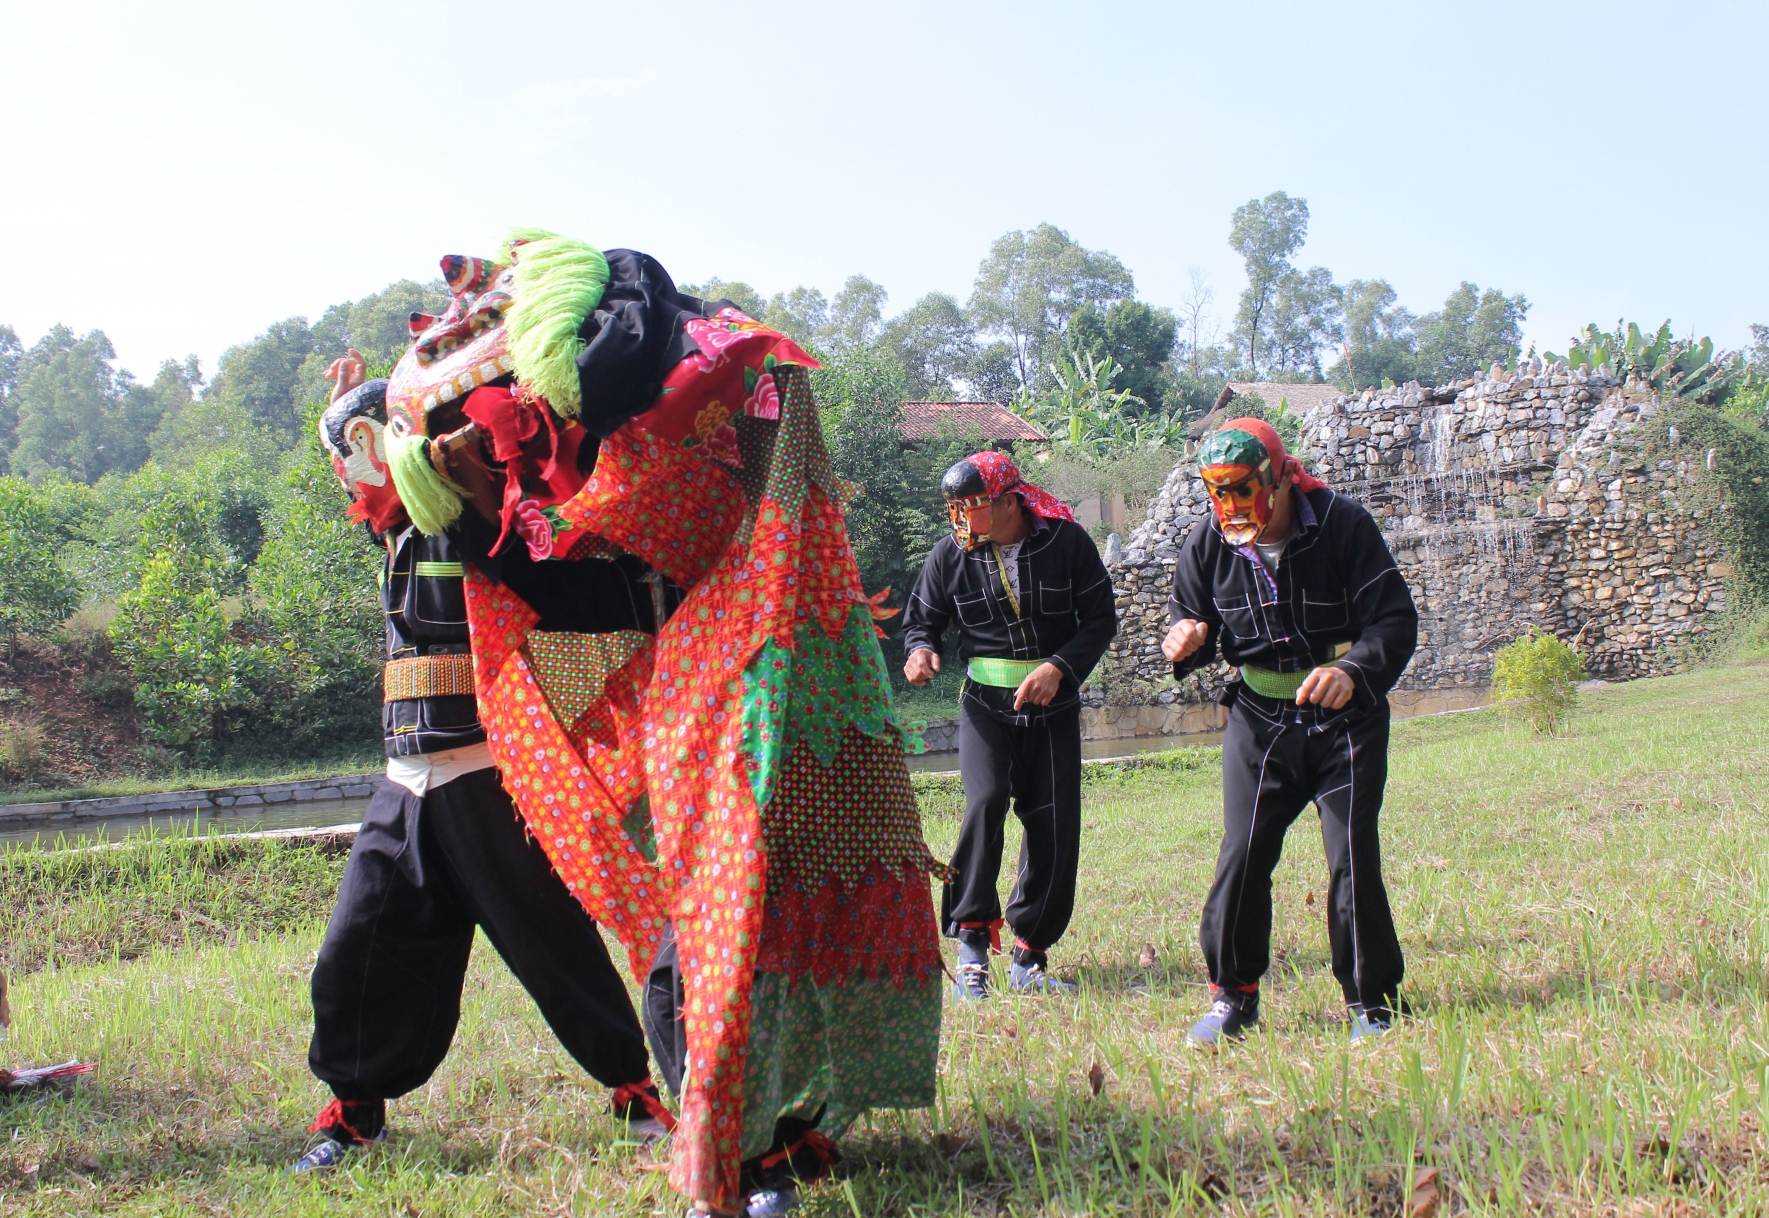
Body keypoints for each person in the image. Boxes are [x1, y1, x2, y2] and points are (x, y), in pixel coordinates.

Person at [373, 232, 949, 1218]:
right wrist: (482, 517)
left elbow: (763, 481)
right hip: (674, 726)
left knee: (760, 925)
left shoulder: (698, 397)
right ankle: (740, 1152)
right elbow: (562, 599)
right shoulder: (549, 495)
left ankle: (765, 1138)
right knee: (706, 945)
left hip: (773, 681)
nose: (503, 450)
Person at [296, 344, 677, 1173]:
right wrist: (339, 408)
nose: (345, 481)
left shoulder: (467, 515)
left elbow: (536, 562)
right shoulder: (393, 532)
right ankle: (354, 1112)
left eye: (349, 457)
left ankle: (633, 1091)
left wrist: (461, 457)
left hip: (486, 775)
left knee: (552, 942)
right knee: (357, 949)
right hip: (404, 783)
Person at [1161, 418, 1418, 1047]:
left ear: (1278, 479)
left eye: (1241, 489)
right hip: (1259, 718)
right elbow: (1188, 624)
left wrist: (1353, 670)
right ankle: (1233, 998)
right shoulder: (1208, 542)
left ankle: (1372, 1004)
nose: (1229, 506)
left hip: (1345, 720)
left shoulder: (1343, 524)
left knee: (1351, 853)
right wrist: (1185, 642)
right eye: (1215, 492)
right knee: (1243, 853)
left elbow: (1394, 620)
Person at [902, 450, 1117, 999]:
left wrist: (1060, 667)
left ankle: (1030, 955)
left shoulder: (1067, 543)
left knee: (1053, 822)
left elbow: (1099, 620)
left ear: (1005, 502)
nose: (959, 522)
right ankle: (971, 944)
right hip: (984, 706)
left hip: (1054, 708)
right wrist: (921, 650)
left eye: (969, 509)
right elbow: (921, 620)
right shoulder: (950, 555)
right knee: (985, 801)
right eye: (952, 509)